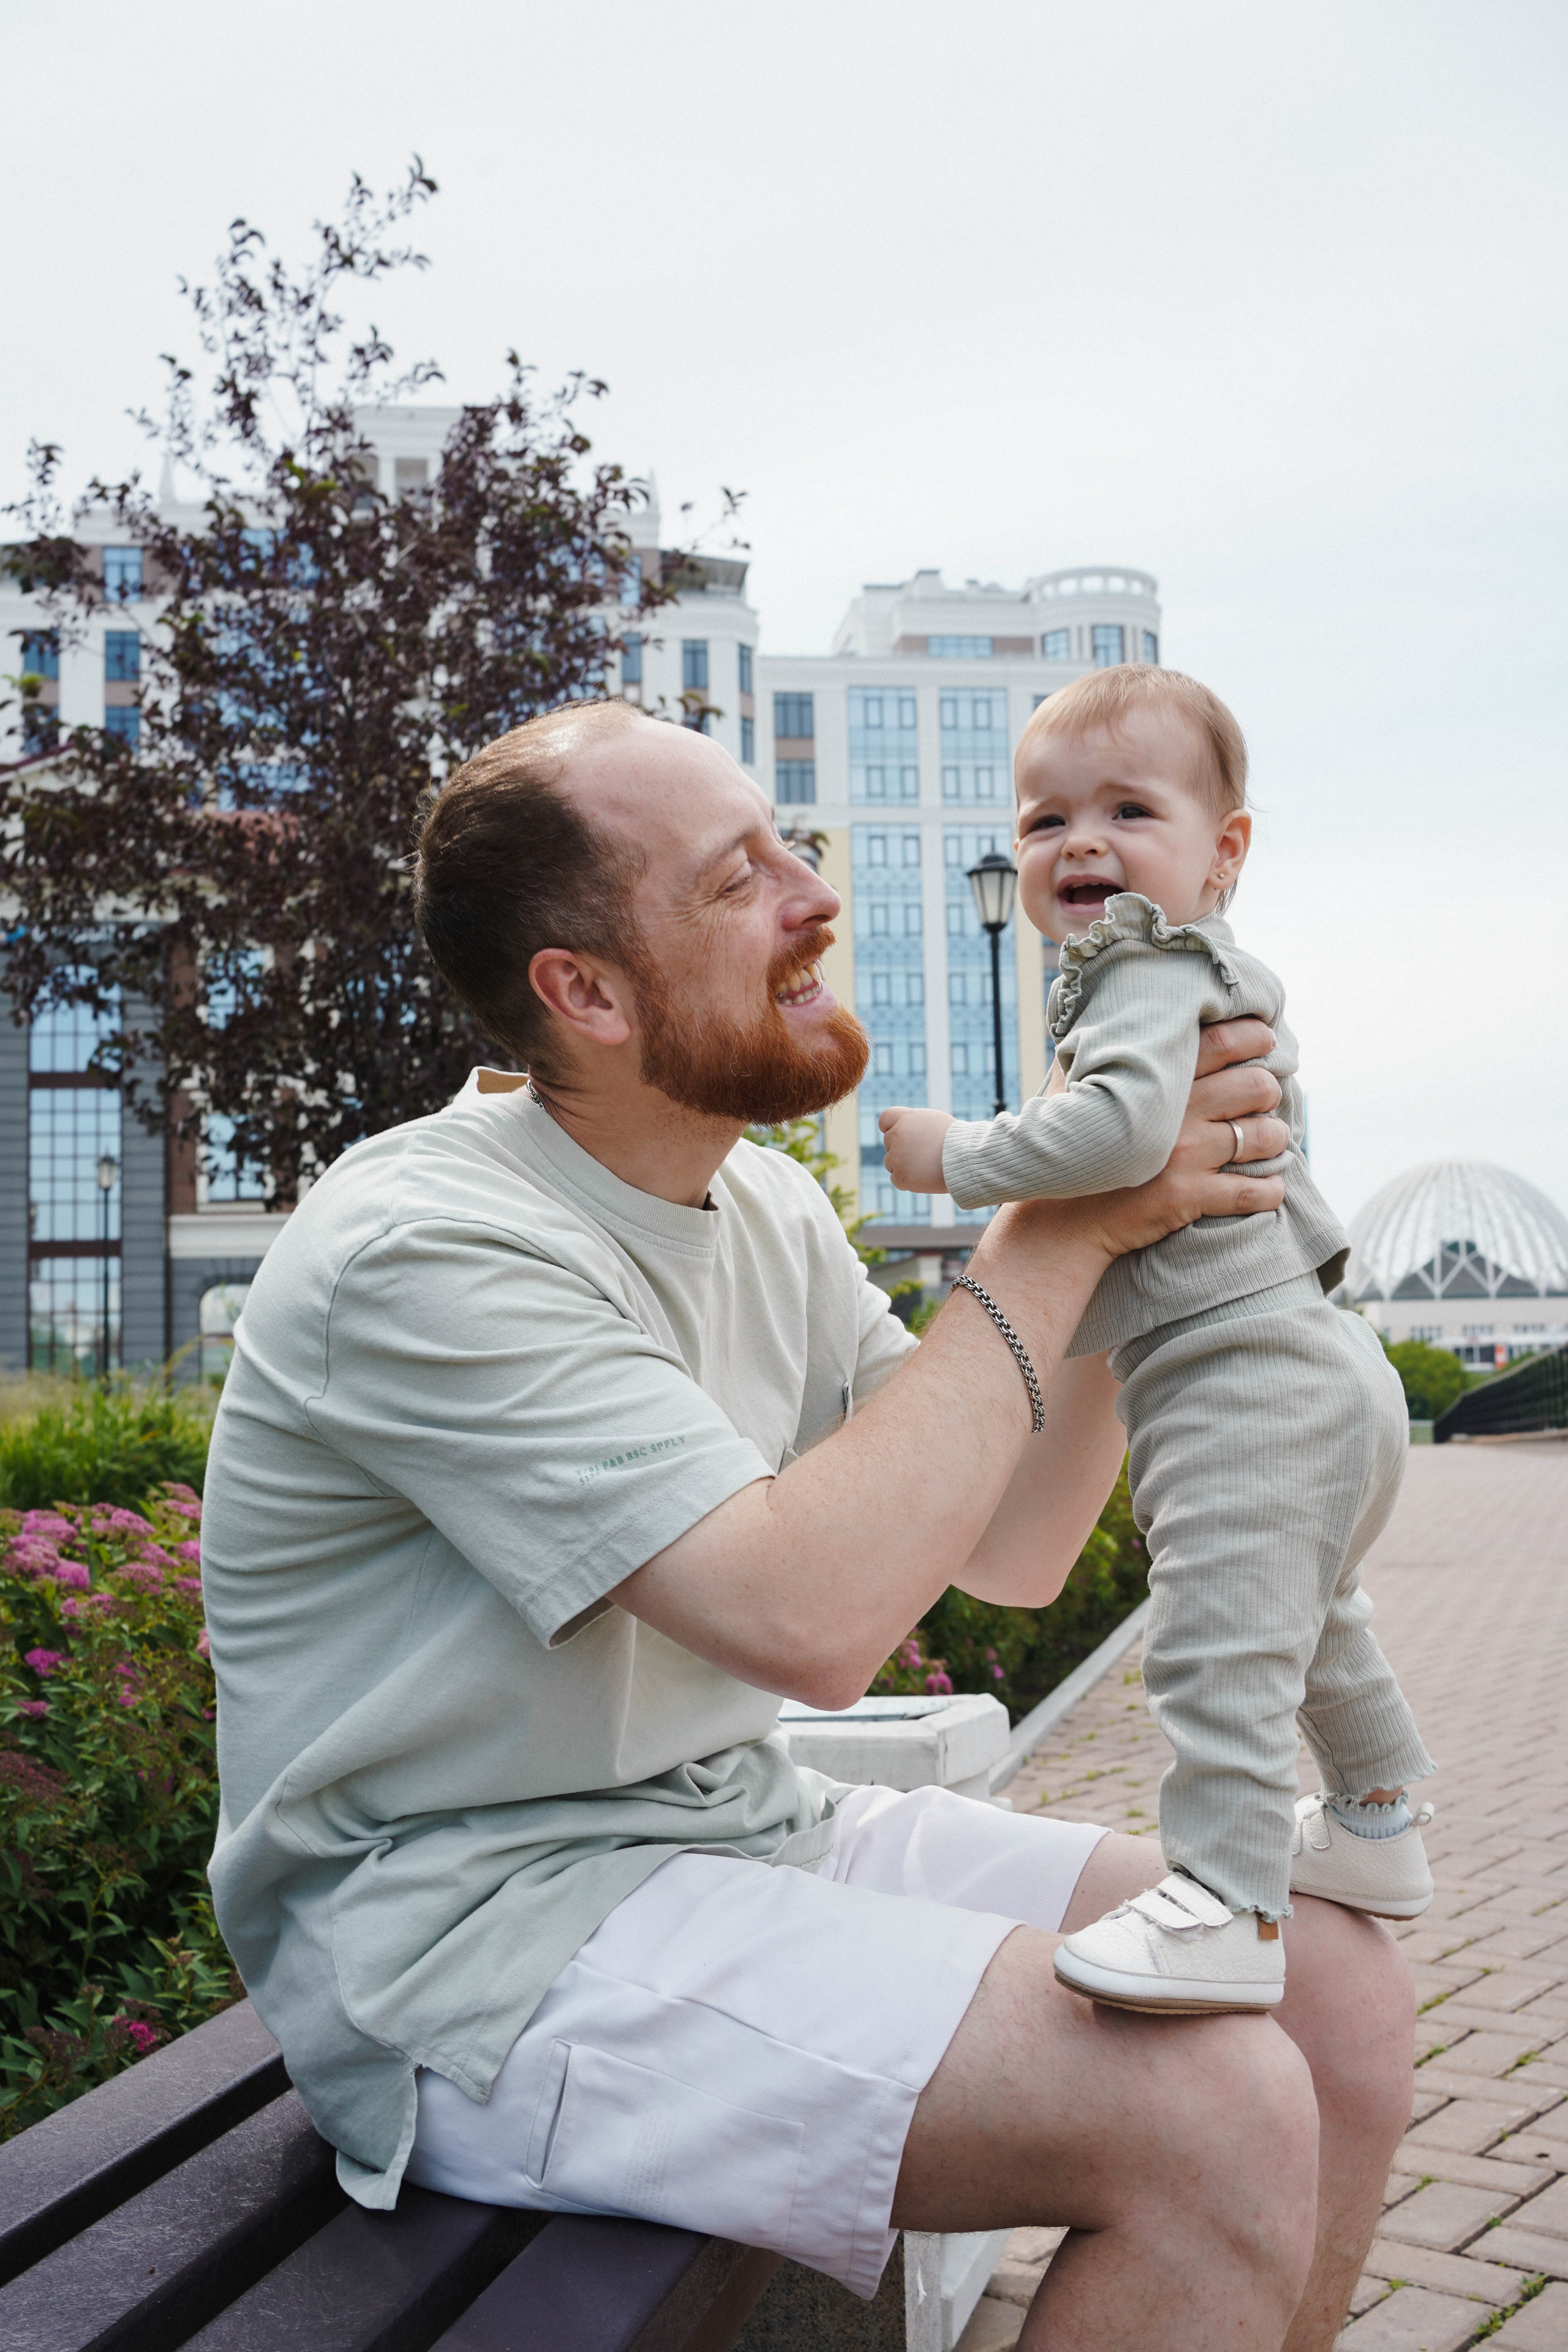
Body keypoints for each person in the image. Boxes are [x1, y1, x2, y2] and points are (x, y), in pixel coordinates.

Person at [202, 699, 1415, 2351]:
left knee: (1329, 1976)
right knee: (1211, 2099)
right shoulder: (426, 1247)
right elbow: (813, 1623)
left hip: (734, 1831)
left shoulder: (760, 1199)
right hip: (469, 1946)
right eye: (736, 878)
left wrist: (1167, 1246)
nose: (814, 895)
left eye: (797, 845)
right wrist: (1055, 1225)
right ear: (589, 992)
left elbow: (1009, 1549)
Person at [879, 666, 1433, 2018]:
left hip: (1238, 1379)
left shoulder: (1134, 956)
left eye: (1126, 808)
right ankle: (1370, 1819)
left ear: (1221, 850)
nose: (1078, 843)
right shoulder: (1206, 970)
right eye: (1039, 820)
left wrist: (952, 1154)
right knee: (1305, 1626)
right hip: (1318, 1361)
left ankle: (1224, 1904)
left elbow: (1122, 1138)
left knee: (1210, 1647)